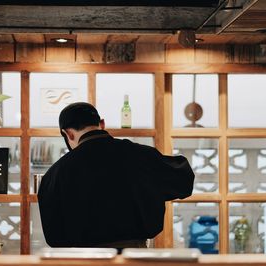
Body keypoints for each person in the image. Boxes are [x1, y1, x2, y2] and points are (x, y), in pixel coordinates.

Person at [38, 102, 195, 249]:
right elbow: (184, 181)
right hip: (133, 255)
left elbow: (54, 237)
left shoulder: (55, 173)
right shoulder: (139, 155)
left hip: (82, 258)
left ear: (68, 134)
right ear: (102, 124)